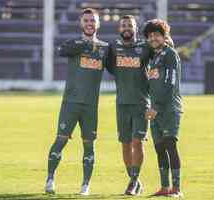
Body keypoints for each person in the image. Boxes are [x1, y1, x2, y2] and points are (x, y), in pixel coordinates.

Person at [45, 8, 111, 196]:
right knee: (60, 140)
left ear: (98, 24)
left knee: (89, 144)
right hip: (71, 103)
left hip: (91, 106)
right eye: (86, 21)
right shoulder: (75, 44)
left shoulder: (105, 48)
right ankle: (50, 178)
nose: (90, 24)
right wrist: (81, 45)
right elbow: (60, 51)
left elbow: (118, 68)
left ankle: (85, 185)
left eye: (93, 21)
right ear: (81, 24)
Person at [108, 15, 152, 195]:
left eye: (130, 25)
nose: (127, 28)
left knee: (137, 142)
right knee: (125, 144)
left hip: (141, 104)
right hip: (122, 104)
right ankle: (135, 181)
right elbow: (110, 68)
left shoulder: (145, 46)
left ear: (136, 28)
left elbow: (162, 53)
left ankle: (133, 182)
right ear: (119, 29)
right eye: (123, 25)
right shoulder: (113, 48)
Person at [143, 19, 184, 197]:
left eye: (156, 35)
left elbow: (170, 83)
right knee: (159, 148)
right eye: (150, 35)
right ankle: (164, 187)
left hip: (168, 109)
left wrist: (156, 107)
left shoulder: (169, 54)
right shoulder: (154, 57)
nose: (153, 38)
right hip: (155, 109)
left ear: (164, 36)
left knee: (170, 145)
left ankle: (176, 189)